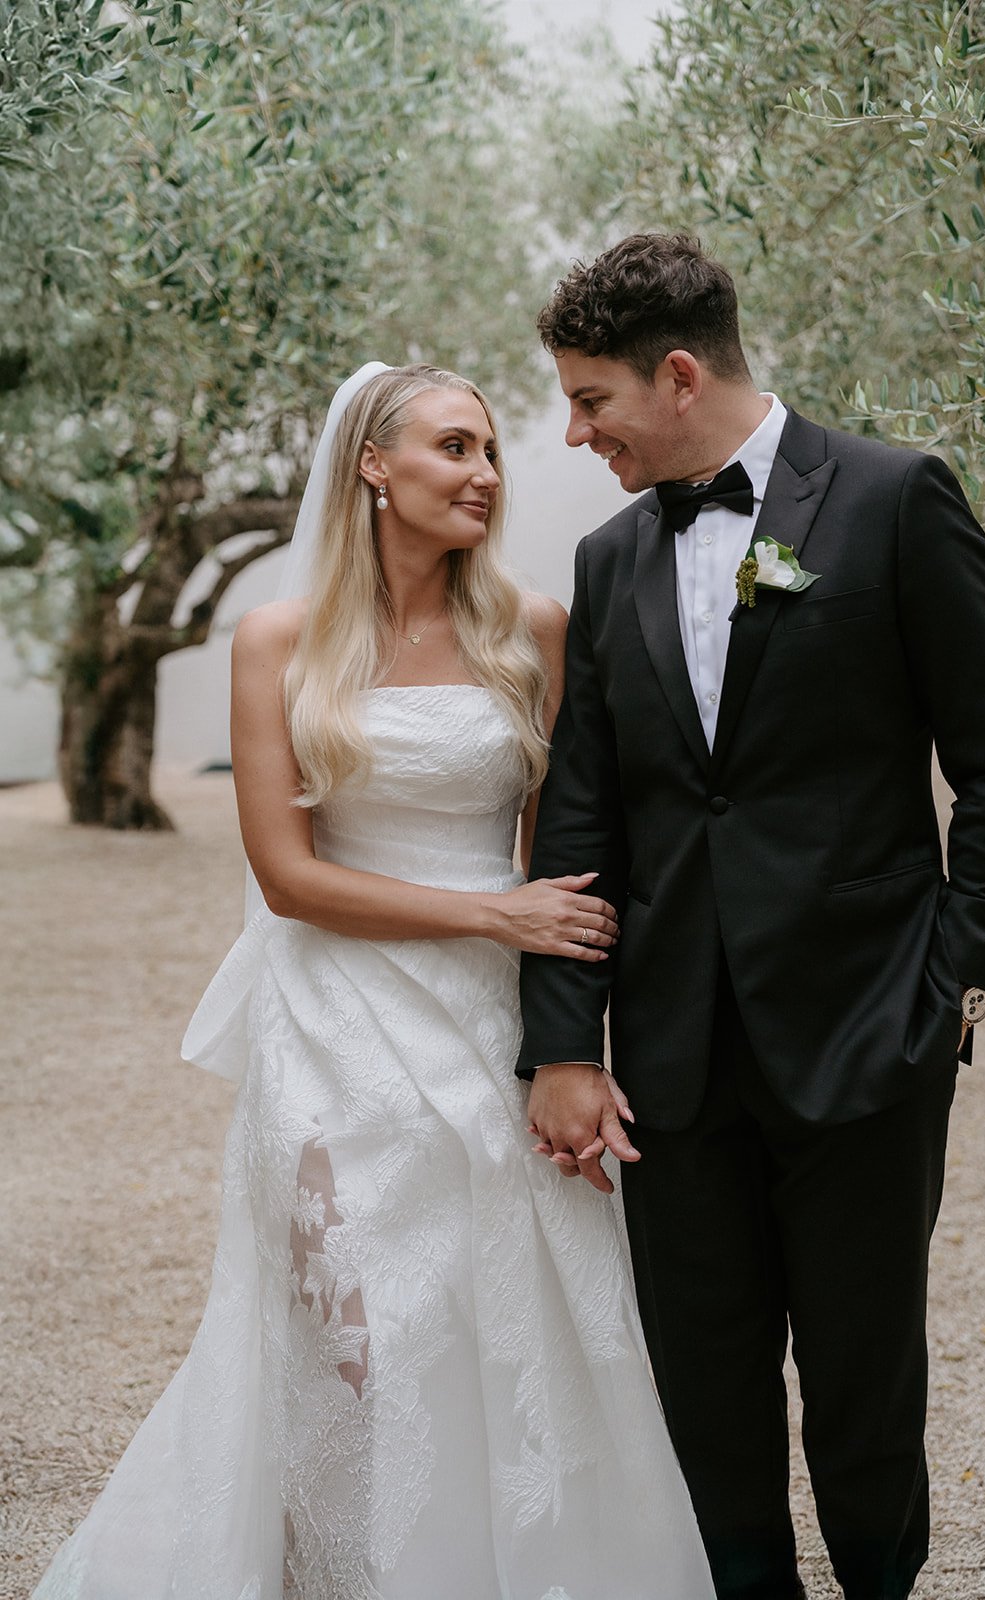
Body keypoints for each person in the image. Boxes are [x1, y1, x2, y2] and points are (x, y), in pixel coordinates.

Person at [31, 362, 716, 1600]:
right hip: (332, 1018)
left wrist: (560, 1020)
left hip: (488, 1013)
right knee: (360, 1325)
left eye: (492, 451)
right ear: (373, 465)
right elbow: (288, 876)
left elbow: (558, 849)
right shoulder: (278, 642)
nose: (486, 473)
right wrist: (489, 910)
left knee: (504, 1306)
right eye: (455, 447)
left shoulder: (532, 628)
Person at [518, 235, 985, 1600]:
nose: (574, 431)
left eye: (590, 401)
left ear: (680, 374)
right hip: (672, 1054)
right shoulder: (603, 561)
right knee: (701, 1390)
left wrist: (958, 973)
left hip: (866, 1029)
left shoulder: (890, 500)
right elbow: (580, 818)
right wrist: (563, 1048)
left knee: (863, 1383)